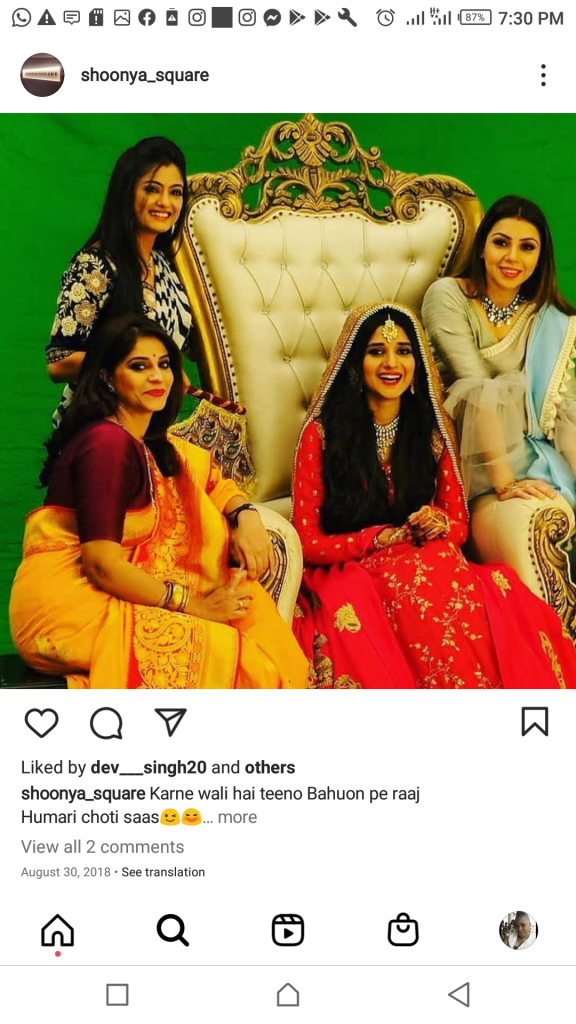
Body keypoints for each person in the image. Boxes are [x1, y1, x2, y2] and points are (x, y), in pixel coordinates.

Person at [11, 316, 309, 689]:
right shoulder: (107, 444)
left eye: (164, 364)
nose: (157, 377)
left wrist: (245, 515)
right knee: (236, 658)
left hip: (108, 592)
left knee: (248, 621)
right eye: (139, 366)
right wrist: (195, 606)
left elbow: (210, 480)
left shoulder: (148, 443)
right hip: (70, 604)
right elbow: (100, 565)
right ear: (107, 377)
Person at [291, 302, 576, 689]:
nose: (392, 363)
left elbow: (458, 526)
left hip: (428, 562)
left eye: (403, 351)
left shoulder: (431, 430)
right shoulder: (322, 435)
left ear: (417, 363)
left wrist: (437, 522)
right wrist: (377, 539)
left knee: (454, 574)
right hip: (355, 572)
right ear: (355, 363)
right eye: (377, 351)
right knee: (415, 581)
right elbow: (308, 541)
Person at [421, 195, 576, 507]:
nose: (512, 257)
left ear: (540, 257)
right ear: (482, 247)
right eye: (501, 243)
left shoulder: (547, 318)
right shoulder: (448, 296)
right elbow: (478, 390)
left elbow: (563, 412)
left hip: (534, 451)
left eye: (527, 247)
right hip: (463, 452)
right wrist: (507, 485)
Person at [47, 137, 193, 426]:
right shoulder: (95, 266)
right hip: (101, 427)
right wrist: (139, 366)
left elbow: (188, 346)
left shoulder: (166, 267)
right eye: (152, 189)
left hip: (152, 427)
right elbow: (59, 361)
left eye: (175, 192)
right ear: (127, 193)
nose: (165, 202)